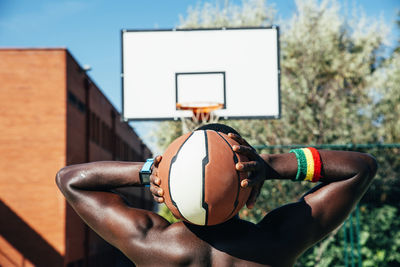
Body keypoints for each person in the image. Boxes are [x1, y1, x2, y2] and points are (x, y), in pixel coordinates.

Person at [56, 123, 377, 267]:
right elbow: (359, 167)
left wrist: (150, 170)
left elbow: (69, 179)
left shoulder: (149, 243)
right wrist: (269, 165)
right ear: (249, 185)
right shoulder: (277, 242)